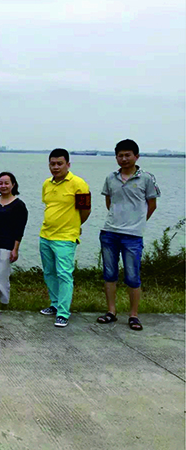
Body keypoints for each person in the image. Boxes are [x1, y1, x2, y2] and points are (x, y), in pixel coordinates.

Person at [96, 139, 160, 331]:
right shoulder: (111, 178)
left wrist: (137, 223)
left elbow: (152, 205)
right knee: (109, 274)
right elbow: (109, 202)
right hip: (109, 232)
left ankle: (133, 315)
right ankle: (111, 311)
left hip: (132, 236)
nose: (124, 159)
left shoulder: (146, 178)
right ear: (116, 157)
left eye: (127, 155)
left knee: (132, 276)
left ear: (136, 156)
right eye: (120, 155)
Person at [39, 148, 91, 328]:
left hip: (65, 237)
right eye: (52, 164)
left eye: (59, 164)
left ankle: (63, 312)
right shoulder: (47, 184)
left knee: (64, 274)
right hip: (45, 235)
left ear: (68, 164)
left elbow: (85, 210)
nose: (55, 167)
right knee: (49, 272)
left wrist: (75, 226)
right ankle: (54, 304)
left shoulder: (79, 184)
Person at [0, 172, 28, 306]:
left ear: (13, 185)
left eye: (6, 183)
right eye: (0, 183)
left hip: (6, 245)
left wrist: (15, 249)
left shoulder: (19, 205)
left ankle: (4, 303)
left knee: (0, 277)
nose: (3, 186)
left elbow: (19, 229)